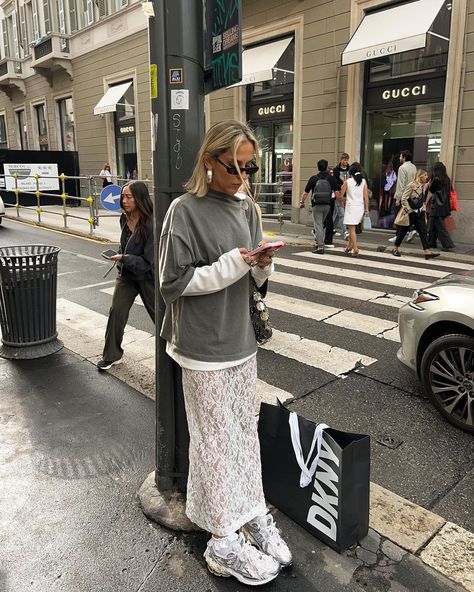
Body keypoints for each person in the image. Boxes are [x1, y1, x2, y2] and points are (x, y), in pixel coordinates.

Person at [159, 120, 291, 586]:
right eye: (234, 166)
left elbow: (255, 284)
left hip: (240, 340)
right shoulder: (184, 210)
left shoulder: (247, 206)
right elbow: (172, 283)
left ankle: (251, 513)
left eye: (250, 165)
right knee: (214, 444)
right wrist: (235, 263)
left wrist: (261, 266)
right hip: (201, 346)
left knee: (242, 436)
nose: (243, 175)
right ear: (209, 162)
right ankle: (222, 539)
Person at [97, 181, 155, 370]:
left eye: (128, 196)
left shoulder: (152, 224)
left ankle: (172, 357)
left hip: (148, 277)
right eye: (123, 196)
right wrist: (121, 257)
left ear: (140, 198)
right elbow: (125, 244)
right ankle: (112, 355)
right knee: (117, 311)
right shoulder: (124, 218)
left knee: (160, 318)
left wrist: (124, 257)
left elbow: (148, 262)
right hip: (127, 275)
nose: (124, 200)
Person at [391, 169, 440, 260]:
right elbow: (404, 199)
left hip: (420, 211)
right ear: (420, 176)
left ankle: (427, 252)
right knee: (403, 231)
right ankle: (395, 248)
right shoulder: (411, 185)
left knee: (423, 231)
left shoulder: (423, 186)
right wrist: (409, 210)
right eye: (425, 175)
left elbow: (431, 186)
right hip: (411, 212)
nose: (426, 177)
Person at [300, 159, 338, 254]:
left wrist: (302, 202)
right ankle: (320, 241)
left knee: (318, 225)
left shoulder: (314, 178)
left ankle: (320, 246)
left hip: (316, 205)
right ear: (326, 167)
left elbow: (305, 193)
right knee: (322, 223)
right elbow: (337, 192)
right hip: (328, 205)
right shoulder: (331, 178)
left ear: (318, 167)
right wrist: (342, 202)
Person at [340, 162, 369, 257]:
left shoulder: (348, 181)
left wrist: (342, 203)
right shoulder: (363, 181)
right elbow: (366, 197)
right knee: (353, 228)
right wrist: (366, 209)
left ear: (350, 172)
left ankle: (355, 248)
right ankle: (349, 245)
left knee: (351, 229)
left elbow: (341, 195)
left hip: (351, 207)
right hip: (360, 207)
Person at [427, 161, 456, 251]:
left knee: (440, 227)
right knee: (433, 226)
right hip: (444, 206)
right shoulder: (447, 179)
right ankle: (431, 242)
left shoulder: (436, 179)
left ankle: (448, 244)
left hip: (437, 206)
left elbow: (431, 190)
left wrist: (430, 181)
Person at [389, 151, 417, 243]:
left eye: (400, 156)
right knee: (407, 215)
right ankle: (411, 230)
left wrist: (398, 198)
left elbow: (401, 184)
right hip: (412, 195)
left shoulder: (402, 168)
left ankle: (399, 235)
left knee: (399, 217)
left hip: (403, 196)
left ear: (404, 158)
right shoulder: (414, 167)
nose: (399, 158)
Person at [333, 152, 350, 239]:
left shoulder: (350, 169)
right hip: (339, 192)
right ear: (341, 160)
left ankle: (331, 228)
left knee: (339, 213)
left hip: (347, 193)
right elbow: (335, 182)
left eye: (347, 160)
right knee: (342, 213)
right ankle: (345, 232)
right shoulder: (336, 170)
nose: (346, 162)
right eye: (344, 160)